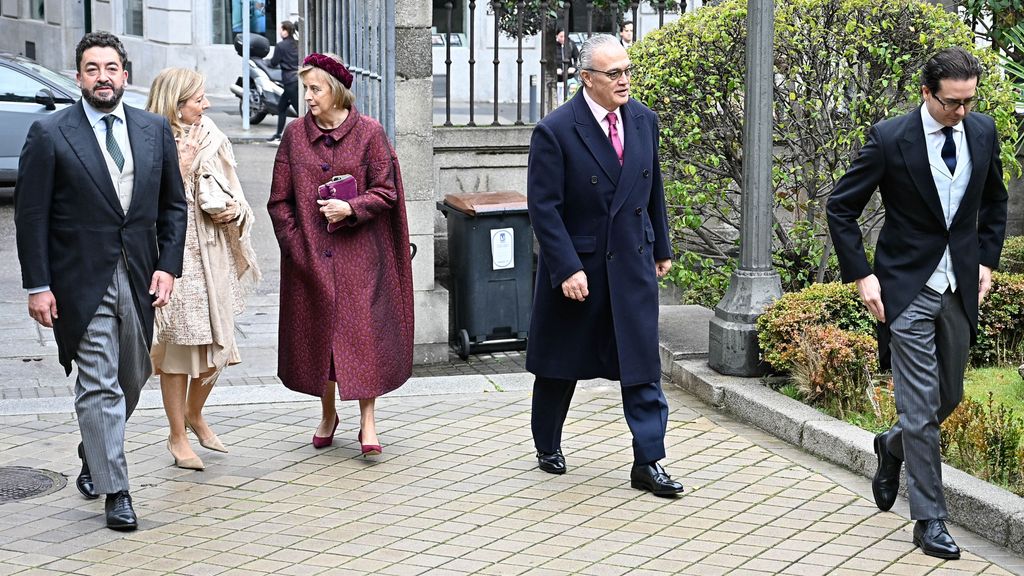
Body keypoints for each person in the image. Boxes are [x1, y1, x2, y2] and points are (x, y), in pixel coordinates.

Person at [827, 46, 1008, 560]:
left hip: (960, 287)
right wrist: (862, 275)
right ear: (927, 93)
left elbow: (995, 201)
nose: (962, 112)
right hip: (906, 288)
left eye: (970, 101)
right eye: (953, 103)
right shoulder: (890, 139)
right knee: (921, 407)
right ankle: (930, 519)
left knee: (947, 397)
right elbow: (841, 208)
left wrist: (987, 262)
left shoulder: (982, 132)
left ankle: (891, 445)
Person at [14, 32, 187, 530]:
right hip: (77, 281)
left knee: (132, 377)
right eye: (92, 68)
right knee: (98, 385)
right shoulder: (50, 133)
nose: (103, 76)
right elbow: (31, 218)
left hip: (137, 275)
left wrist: (167, 265)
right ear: (79, 77)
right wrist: (38, 285)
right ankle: (117, 491)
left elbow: (173, 206)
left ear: (125, 75)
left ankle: (95, 448)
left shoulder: (153, 130)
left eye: (111, 67)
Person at [525, 34, 683, 497]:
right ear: (586, 78)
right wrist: (566, 267)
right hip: (581, 269)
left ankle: (648, 462)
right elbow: (544, 209)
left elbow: (652, 190)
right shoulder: (555, 130)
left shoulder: (643, 120)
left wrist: (660, 247)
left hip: (631, 263)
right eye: (614, 73)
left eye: (627, 70)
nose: (625, 80)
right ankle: (547, 443)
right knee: (561, 364)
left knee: (642, 368)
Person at [268, 52, 414, 455]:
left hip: (361, 260)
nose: (309, 96)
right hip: (311, 258)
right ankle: (328, 414)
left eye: (316, 89)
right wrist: (298, 249)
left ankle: (368, 423)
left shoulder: (370, 133)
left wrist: (352, 208)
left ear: (336, 91)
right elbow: (279, 203)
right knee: (321, 342)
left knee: (362, 340)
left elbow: (387, 192)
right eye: (307, 89)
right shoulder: (295, 135)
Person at [146, 68, 261, 471]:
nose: (207, 104)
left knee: (218, 347)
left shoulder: (212, 133)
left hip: (212, 251)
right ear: (177, 103)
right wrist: (181, 166)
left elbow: (234, 186)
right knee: (178, 352)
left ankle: (195, 414)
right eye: (199, 99)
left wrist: (235, 210)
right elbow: (144, 203)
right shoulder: (149, 136)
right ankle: (177, 435)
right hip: (172, 256)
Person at [267, 20, 299, 144]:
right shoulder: (297, 43)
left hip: (289, 82)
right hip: (295, 81)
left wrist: (267, 62)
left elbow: (274, 62)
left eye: (281, 29)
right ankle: (278, 134)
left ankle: (305, 136)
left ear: (286, 31)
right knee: (281, 107)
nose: (280, 32)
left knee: (299, 111)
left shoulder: (280, 46)